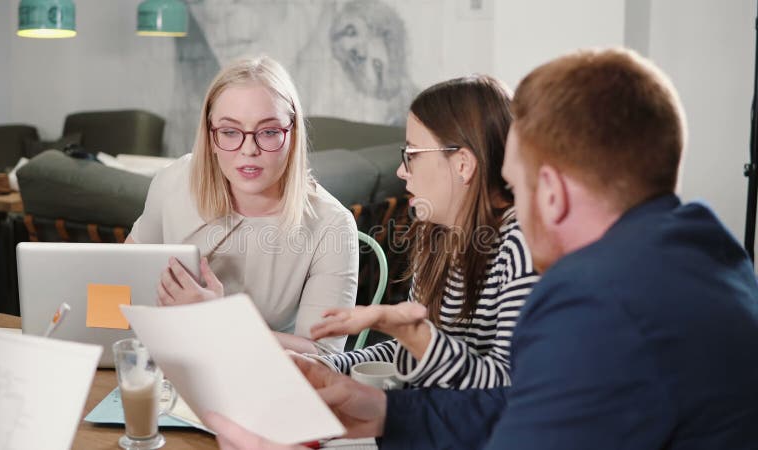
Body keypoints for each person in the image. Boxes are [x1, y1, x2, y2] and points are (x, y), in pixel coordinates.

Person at [204, 48, 758, 449]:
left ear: (553, 193)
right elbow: (512, 407)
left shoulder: (601, 304)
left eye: (514, 182)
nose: (508, 201)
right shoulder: (704, 253)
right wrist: (382, 412)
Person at [307, 74, 538, 390]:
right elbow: (413, 353)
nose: (402, 170)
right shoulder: (440, 236)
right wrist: (325, 366)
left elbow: (508, 387)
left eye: (412, 154)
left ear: (462, 164)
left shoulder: (520, 245)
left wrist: (410, 333)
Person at [127, 56, 359, 355]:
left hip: (269, 378)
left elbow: (324, 357)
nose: (249, 150)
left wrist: (222, 318)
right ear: (210, 136)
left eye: (269, 132)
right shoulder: (173, 183)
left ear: (293, 134)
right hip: (171, 363)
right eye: (230, 132)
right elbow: (122, 281)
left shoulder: (332, 224)